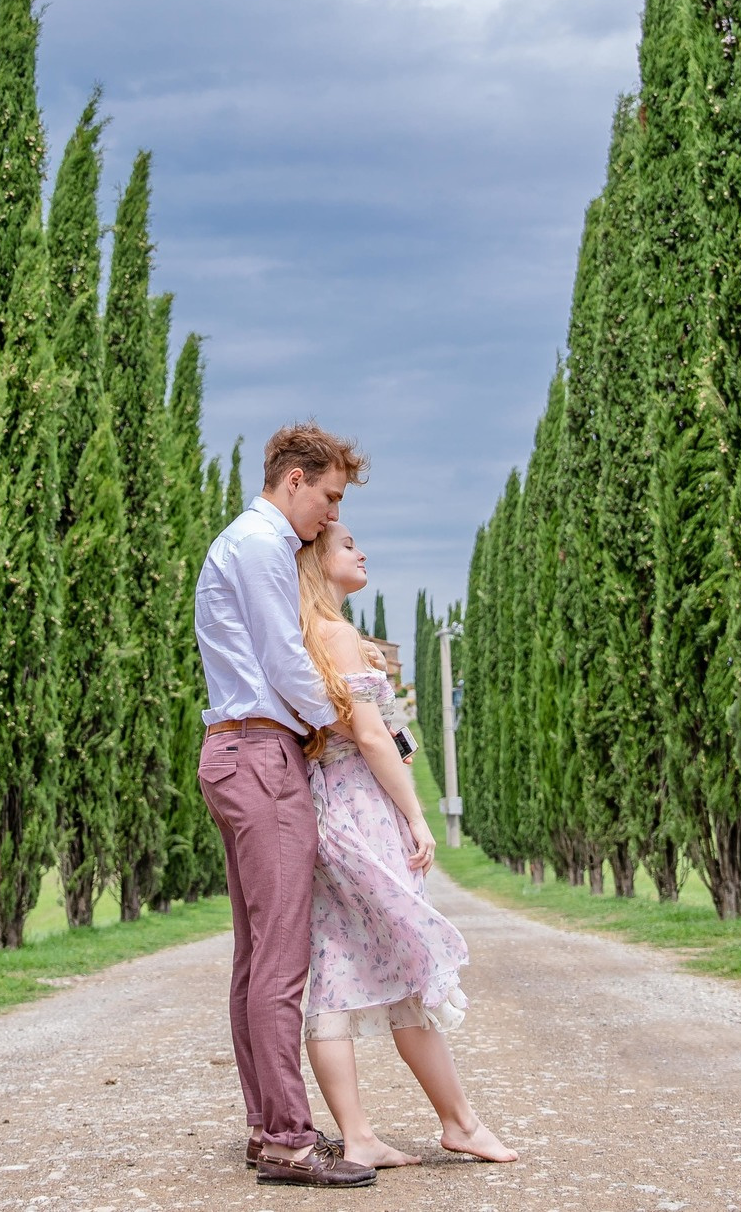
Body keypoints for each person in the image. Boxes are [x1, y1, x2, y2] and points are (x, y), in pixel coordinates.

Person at [296, 523, 516, 1169]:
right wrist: (416, 815)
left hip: (327, 805)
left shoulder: (305, 635)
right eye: (347, 545)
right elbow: (370, 737)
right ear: (317, 560)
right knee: (410, 959)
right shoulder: (337, 635)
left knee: (337, 967)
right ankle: (460, 1121)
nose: (361, 553)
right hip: (362, 807)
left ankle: (362, 1133)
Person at [192, 423, 377, 1188]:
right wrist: (349, 722)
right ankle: (292, 1141)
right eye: (328, 497)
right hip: (261, 756)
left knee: (253, 957)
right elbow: (284, 659)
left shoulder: (237, 542)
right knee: (279, 959)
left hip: (236, 752)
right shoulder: (264, 544)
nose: (331, 518)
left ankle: (269, 1128)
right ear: (294, 479)